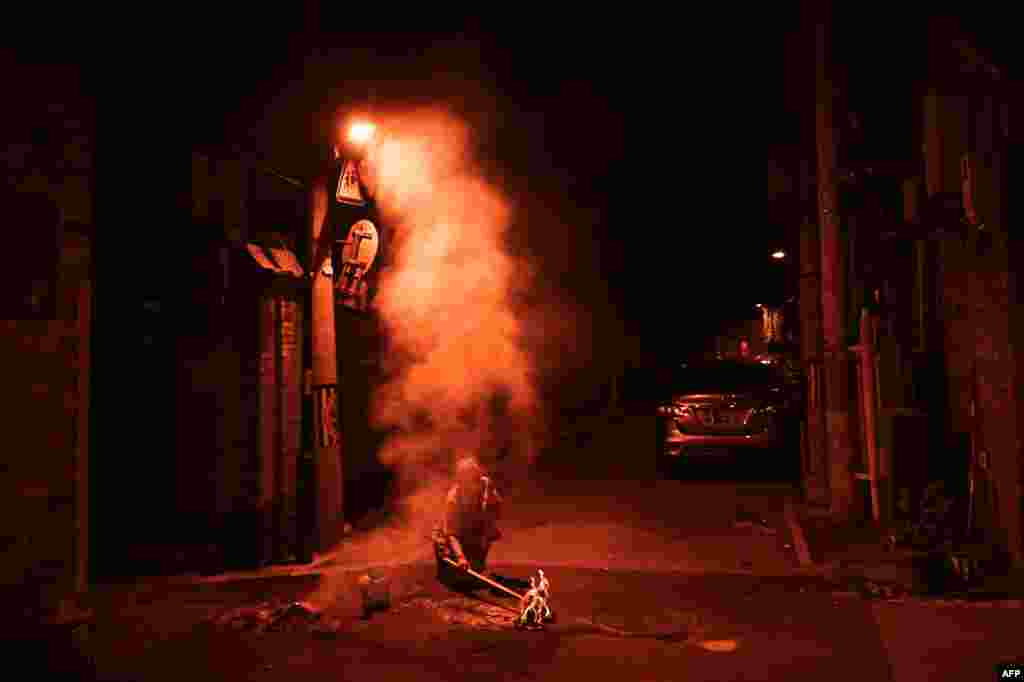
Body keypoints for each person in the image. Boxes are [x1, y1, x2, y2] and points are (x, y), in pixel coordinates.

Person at [433, 455, 503, 590]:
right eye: (468, 481)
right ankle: (450, 571)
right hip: (451, 535)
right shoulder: (453, 499)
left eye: (475, 480)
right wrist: (460, 557)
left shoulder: (486, 486)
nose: (473, 485)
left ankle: (476, 565)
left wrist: (486, 530)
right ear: (461, 481)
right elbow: (452, 534)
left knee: (474, 572)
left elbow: (496, 508)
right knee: (452, 575)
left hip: (474, 530)